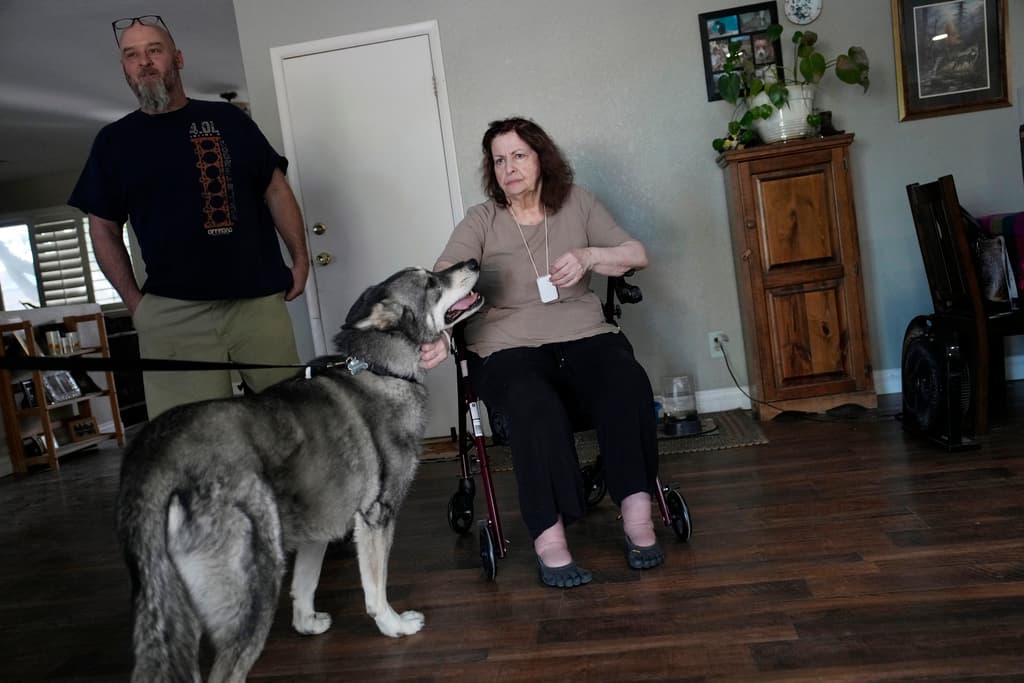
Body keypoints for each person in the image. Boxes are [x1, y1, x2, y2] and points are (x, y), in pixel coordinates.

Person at [421, 117, 662, 588]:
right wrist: (438, 329)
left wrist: (590, 256)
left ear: (541, 158)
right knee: (533, 404)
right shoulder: (482, 219)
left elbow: (637, 254)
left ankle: (638, 518)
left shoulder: (577, 203)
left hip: (584, 334)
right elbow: (444, 275)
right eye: (499, 160)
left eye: (518, 156)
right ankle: (550, 540)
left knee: (625, 381)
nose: (508, 168)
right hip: (506, 346)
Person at [68, 15, 309, 418]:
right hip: (171, 312)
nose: (144, 62)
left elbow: (276, 189)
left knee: (291, 419)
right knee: (187, 435)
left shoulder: (230, 120)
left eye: (154, 50)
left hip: (256, 302)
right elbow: (103, 227)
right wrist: (135, 304)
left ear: (177, 58)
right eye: (132, 55)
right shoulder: (113, 142)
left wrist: (300, 259)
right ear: (125, 68)